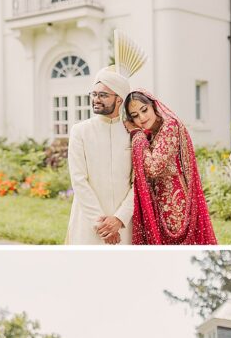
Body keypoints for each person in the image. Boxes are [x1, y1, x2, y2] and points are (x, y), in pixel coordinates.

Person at [124, 90, 217, 245]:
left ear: (153, 105)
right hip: (157, 202)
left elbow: (153, 167)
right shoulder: (151, 134)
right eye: (135, 115)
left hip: (175, 204)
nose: (141, 118)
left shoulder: (169, 126)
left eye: (144, 110)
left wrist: (136, 134)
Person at [65, 69, 135, 245]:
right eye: (94, 94)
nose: (96, 99)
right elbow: (79, 180)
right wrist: (100, 224)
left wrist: (119, 219)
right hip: (88, 223)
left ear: (119, 99)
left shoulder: (134, 133)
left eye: (103, 95)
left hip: (124, 225)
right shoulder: (80, 131)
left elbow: (140, 183)